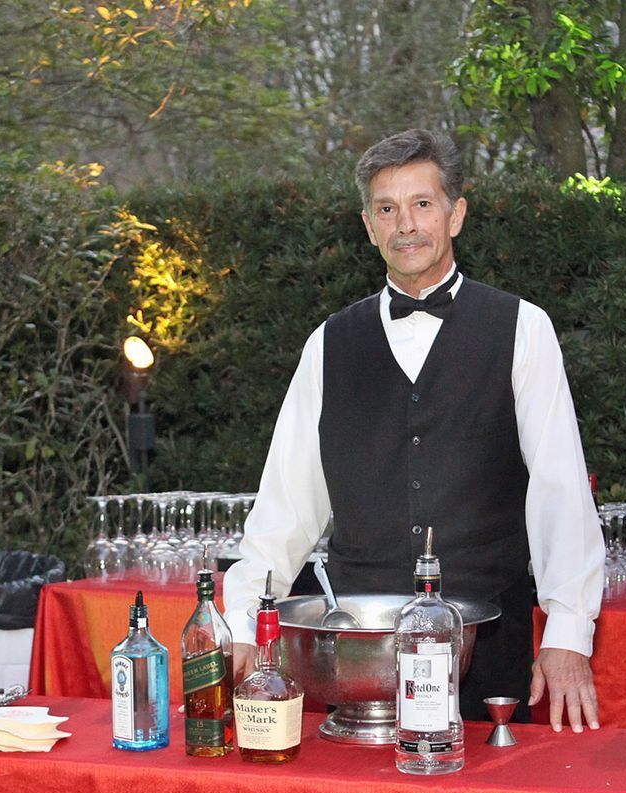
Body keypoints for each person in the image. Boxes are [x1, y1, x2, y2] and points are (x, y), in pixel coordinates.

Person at [222, 129, 605, 732]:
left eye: (422, 204)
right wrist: (243, 619)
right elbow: (286, 506)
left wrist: (569, 633)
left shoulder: (523, 328)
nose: (406, 225)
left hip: (489, 646)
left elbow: (559, 490)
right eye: (386, 209)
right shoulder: (329, 344)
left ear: (456, 215)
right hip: (357, 654)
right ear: (368, 226)